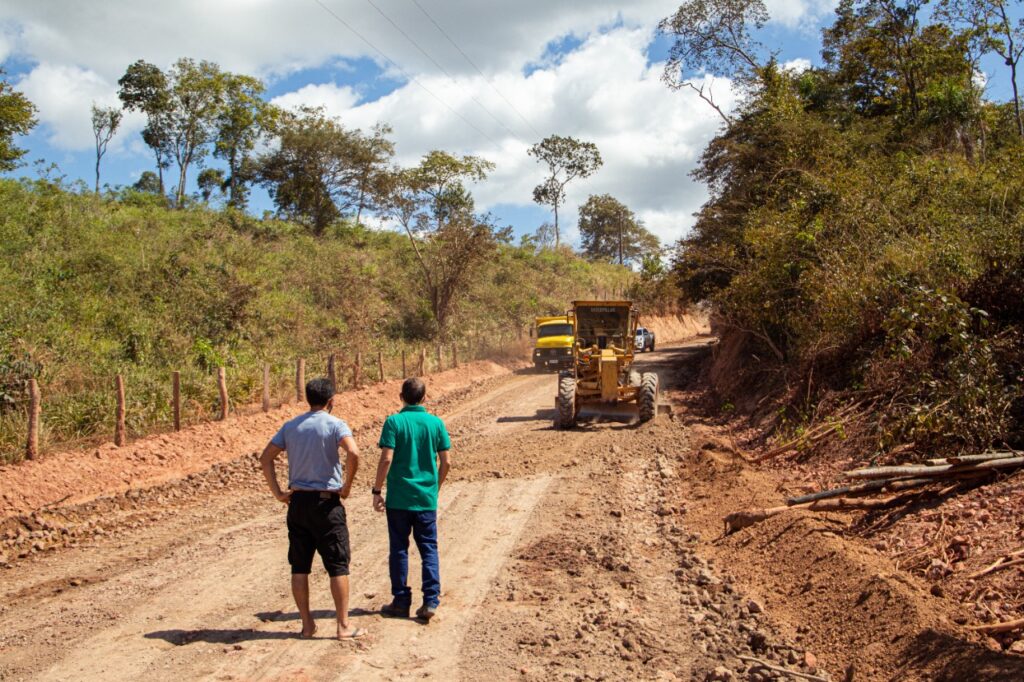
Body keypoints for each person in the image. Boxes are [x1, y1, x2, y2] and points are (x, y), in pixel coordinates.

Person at [259, 377, 367, 640]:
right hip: (326, 503)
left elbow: (265, 458)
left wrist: (278, 493)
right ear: (331, 400)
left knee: (299, 566)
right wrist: (346, 486)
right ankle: (343, 626)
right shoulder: (335, 424)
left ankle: (307, 626)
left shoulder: (291, 426)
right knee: (338, 565)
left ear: (308, 398)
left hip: (297, 504)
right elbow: (353, 453)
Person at [371, 377, 451, 622]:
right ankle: (431, 600)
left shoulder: (394, 422)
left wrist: (376, 490)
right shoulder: (436, 423)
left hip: (398, 500)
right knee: (428, 548)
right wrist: (434, 488)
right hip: (425, 500)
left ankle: (401, 600)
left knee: (399, 549)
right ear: (424, 398)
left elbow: (386, 459)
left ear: (401, 397)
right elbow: (446, 462)